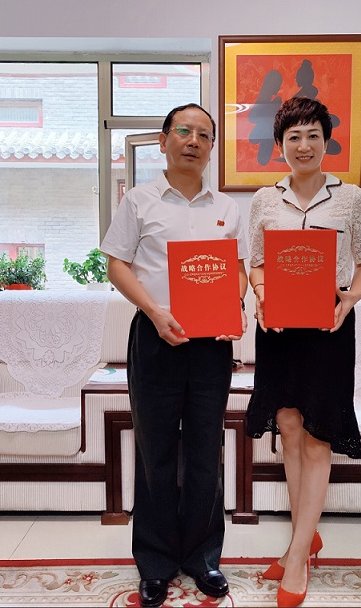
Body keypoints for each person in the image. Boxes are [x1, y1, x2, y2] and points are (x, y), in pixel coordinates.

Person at [100, 103, 249, 608]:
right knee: (155, 452)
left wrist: (234, 304)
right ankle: (157, 562)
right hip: (155, 338)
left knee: (206, 450)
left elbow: (239, 270)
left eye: (204, 135)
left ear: (212, 148)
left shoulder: (227, 208)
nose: (193, 141)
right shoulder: (139, 201)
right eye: (184, 131)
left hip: (211, 345)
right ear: (163, 141)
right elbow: (116, 265)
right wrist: (155, 311)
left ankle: (204, 557)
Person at [245, 96, 361, 607]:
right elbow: (255, 263)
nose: (304, 145)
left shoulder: (352, 199)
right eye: (293, 136)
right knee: (290, 429)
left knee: (319, 436)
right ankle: (305, 538)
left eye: (312, 135)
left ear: (326, 141)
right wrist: (261, 295)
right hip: (279, 329)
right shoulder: (264, 200)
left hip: (328, 326)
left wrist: (350, 299)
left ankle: (296, 556)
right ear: (281, 145)